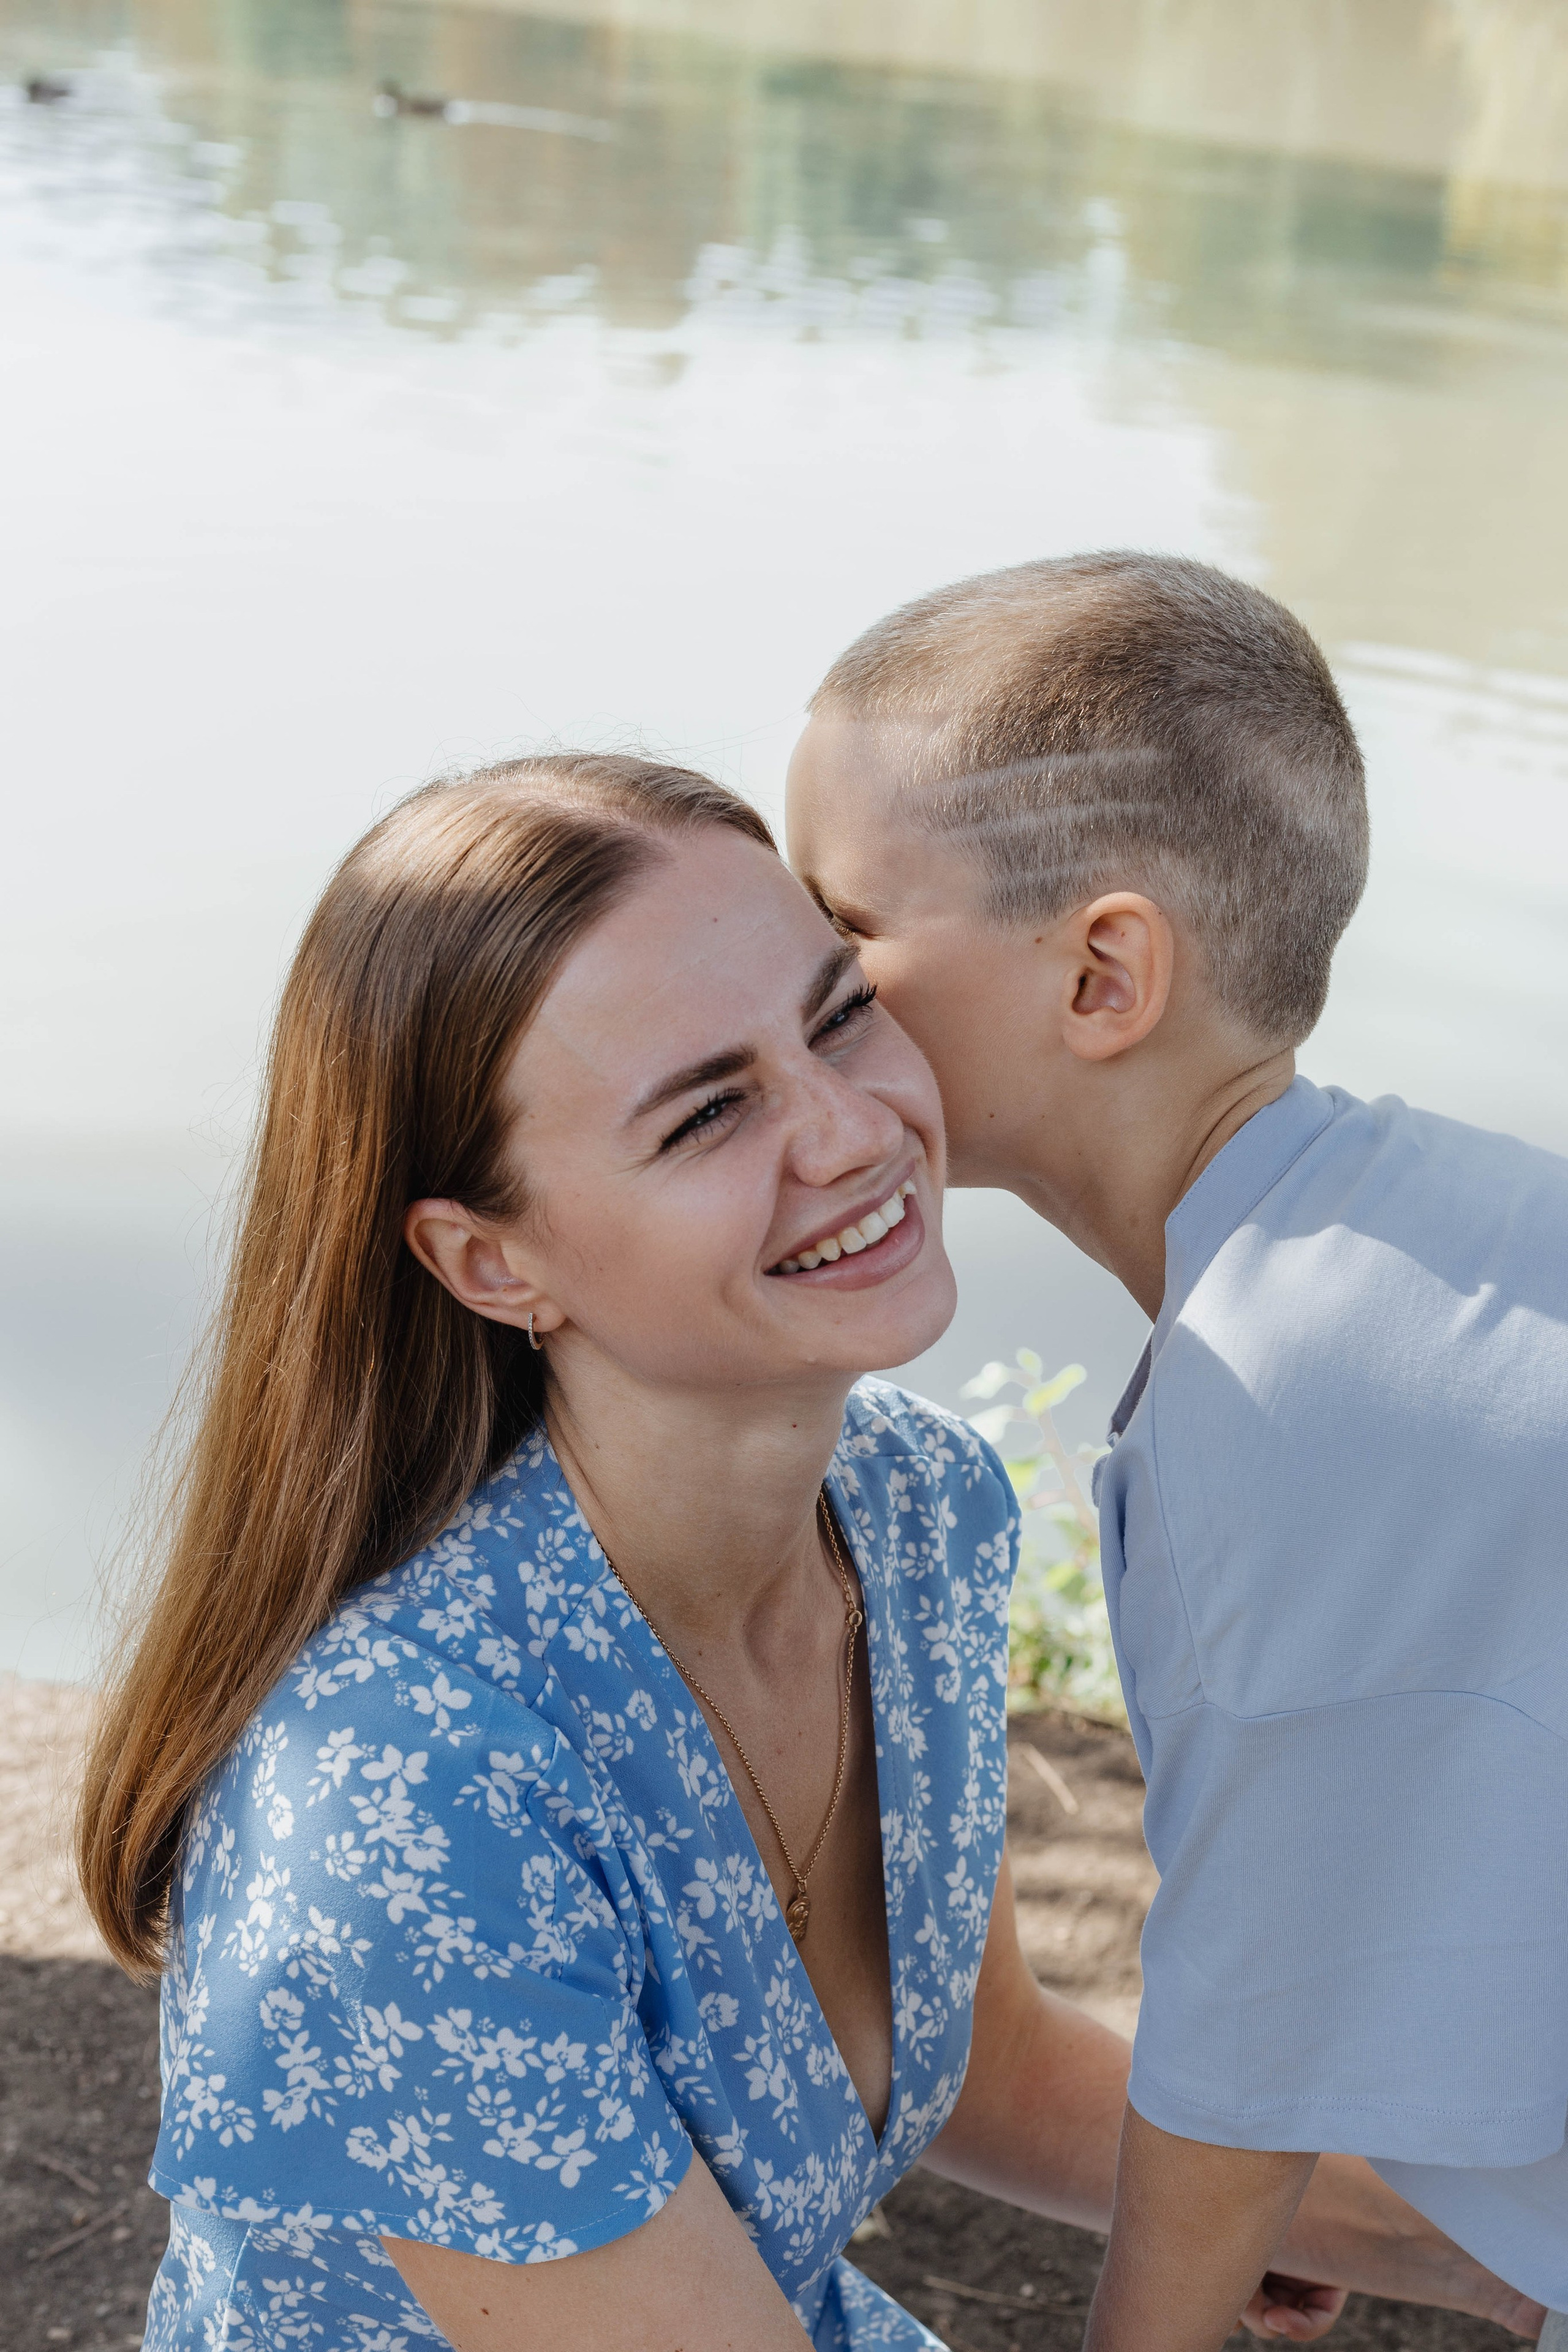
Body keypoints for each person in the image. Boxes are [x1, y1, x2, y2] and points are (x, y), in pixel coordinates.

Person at [81, 752, 1528, 2352]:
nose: (852, 1130)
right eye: (708, 1111)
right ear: (492, 1262)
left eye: (841, 1013)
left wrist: (1496, 2246)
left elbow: (984, 2065)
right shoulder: (402, 1813)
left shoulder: (912, 1511)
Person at [786, 552, 1568, 2352]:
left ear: (1105, 972)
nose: (798, 988)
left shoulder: (1273, 1401)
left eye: (841, 937)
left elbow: (1238, 2058)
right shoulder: (1438, 1234)